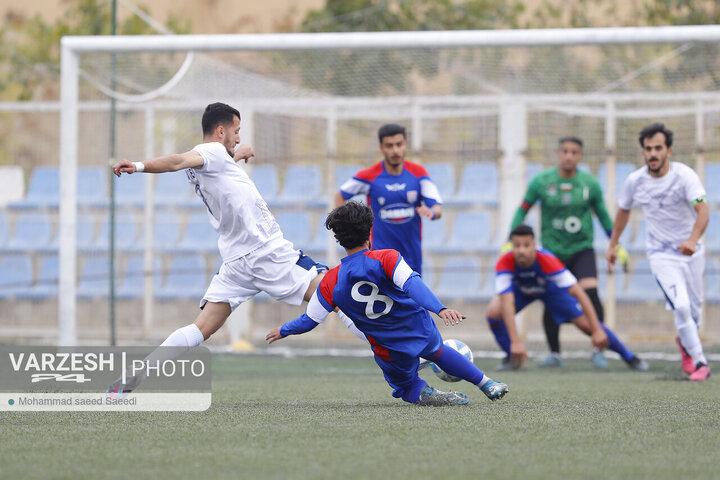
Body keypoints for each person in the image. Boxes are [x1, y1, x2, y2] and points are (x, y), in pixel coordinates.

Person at [106, 102, 362, 397]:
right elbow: (177, 160)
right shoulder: (209, 152)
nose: (238, 137)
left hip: (236, 262)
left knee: (200, 328)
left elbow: (219, 165)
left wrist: (239, 153)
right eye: (236, 132)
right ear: (220, 130)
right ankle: (405, 352)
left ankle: (134, 377)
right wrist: (138, 166)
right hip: (267, 253)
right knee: (338, 294)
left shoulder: (213, 161)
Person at [266, 202, 509, 405]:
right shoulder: (387, 258)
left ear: (339, 239)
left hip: (388, 350)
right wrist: (440, 308)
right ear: (370, 232)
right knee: (438, 352)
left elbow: (310, 320)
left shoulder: (330, 281)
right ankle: (486, 382)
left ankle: (424, 392)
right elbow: (412, 284)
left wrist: (283, 330)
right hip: (418, 328)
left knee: (407, 386)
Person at [505, 136, 627, 369]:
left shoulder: (589, 184)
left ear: (580, 156)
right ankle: (555, 354)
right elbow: (523, 210)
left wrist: (616, 244)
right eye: (565, 151)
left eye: (574, 152)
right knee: (552, 299)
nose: (569, 156)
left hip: (582, 249)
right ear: (559, 154)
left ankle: (597, 348)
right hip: (552, 252)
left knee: (590, 293)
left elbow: (603, 216)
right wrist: (509, 240)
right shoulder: (541, 182)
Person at [606, 122, 710, 381]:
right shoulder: (635, 181)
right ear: (643, 152)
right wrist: (613, 245)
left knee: (694, 312)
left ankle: (686, 345)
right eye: (648, 148)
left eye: (658, 148)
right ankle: (700, 363)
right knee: (682, 307)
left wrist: (693, 240)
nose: (653, 153)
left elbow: (703, 211)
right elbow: (623, 211)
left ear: (669, 150)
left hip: (692, 253)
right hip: (661, 255)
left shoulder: (685, 176)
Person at [487, 224, 648, 371]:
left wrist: (597, 330)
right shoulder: (504, 262)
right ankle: (512, 357)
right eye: (517, 246)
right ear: (511, 247)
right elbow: (507, 303)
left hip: (552, 292)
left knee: (587, 325)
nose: (521, 250)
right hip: (522, 292)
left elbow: (580, 294)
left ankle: (630, 358)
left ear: (534, 245)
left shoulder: (548, 260)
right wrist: (516, 342)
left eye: (526, 245)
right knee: (494, 311)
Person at [334, 123, 442, 275]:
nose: (395, 150)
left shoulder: (418, 174)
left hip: (411, 259)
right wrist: (347, 228)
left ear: (405, 145)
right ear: (381, 148)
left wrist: (431, 212)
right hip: (379, 259)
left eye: (399, 144)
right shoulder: (370, 175)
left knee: (412, 299)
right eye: (389, 146)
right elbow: (340, 195)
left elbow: (438, 209)